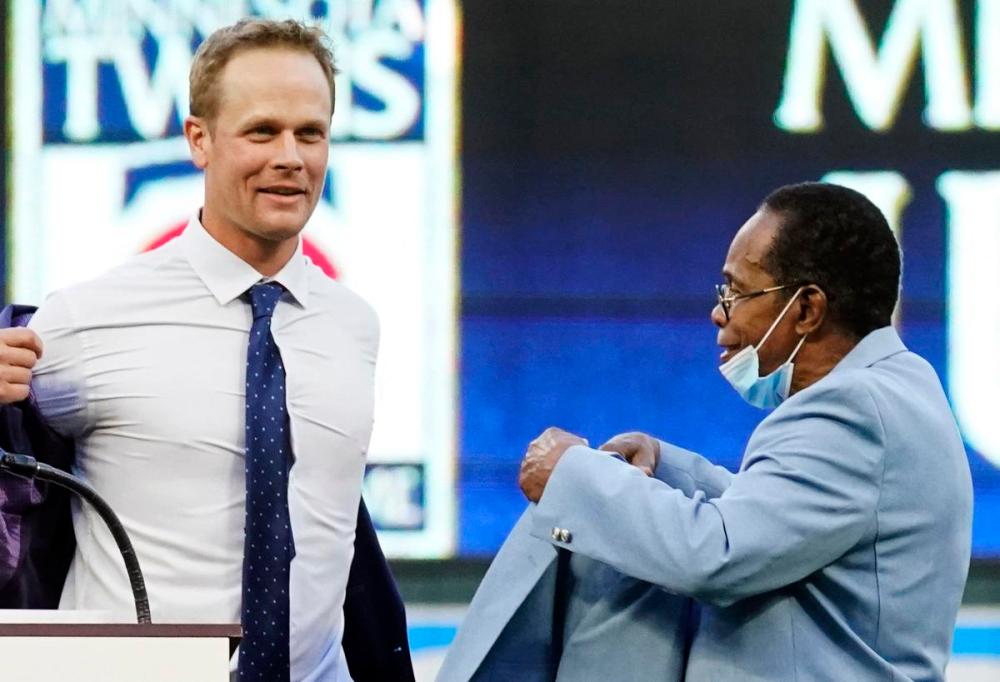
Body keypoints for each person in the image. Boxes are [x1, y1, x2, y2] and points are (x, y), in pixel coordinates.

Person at [0, 18, 411, 682]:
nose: (291, 156)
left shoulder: (353, 325)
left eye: (310, 133)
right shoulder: (87, 319)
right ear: (199, 140)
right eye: (262, 131)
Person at [440, 182, 973, 681]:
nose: (719, 313)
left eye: (737, 291)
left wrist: (572, 477)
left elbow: (717, 556)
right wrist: (665, 469)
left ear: (807, 309)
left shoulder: (852, 409)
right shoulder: (897, 385)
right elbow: (781, 519)